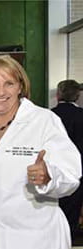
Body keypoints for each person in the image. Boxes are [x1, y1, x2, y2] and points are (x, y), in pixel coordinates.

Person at [0, 55, 81, 249]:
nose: (1, 91)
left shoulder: (44, 121)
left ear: (20, 87)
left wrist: (49, 176)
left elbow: (71, 175)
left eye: (9, 83)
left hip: (35, 238)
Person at [52, 80, 83, 240]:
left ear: (58, 95)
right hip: (78, 173)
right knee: (72, 212)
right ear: (77, 96)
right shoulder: (81, 116)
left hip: (51, 173)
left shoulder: (49, 116)